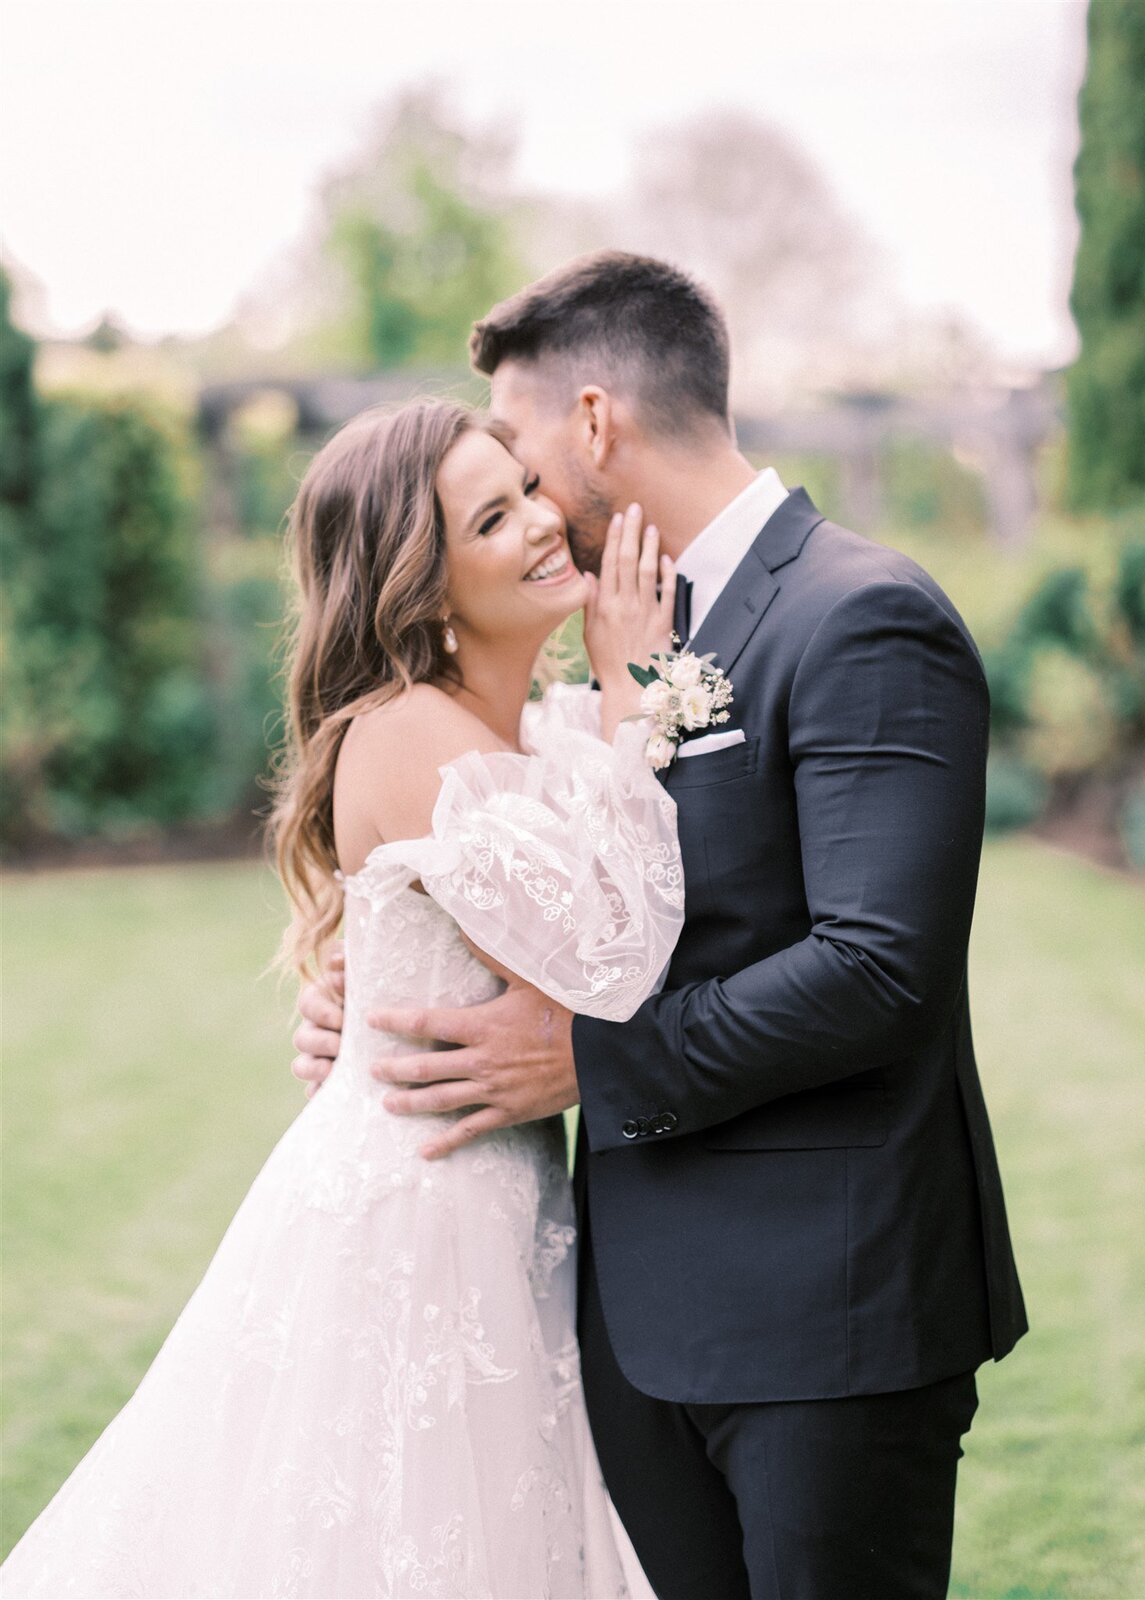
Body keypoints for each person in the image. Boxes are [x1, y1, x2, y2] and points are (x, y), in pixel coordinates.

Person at [295, 252, 1028, 1600]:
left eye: (518, 455)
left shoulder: (860, 616)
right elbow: (532, 876)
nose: (520, 500)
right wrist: (389, 989)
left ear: (592, 425)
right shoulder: (612, 655)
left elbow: (880, 970)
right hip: (625, 1322)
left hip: (829, 1321)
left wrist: (586, 1063)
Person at [0, 399, 685, 1598]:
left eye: (526, 487)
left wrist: (607, 717)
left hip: (498, 1201)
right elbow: (606, 961)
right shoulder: (408, 733)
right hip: (416, 1224)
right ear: (422, 588)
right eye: (493, 514)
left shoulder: (527, 727)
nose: (541, 521)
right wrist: (634, 692)